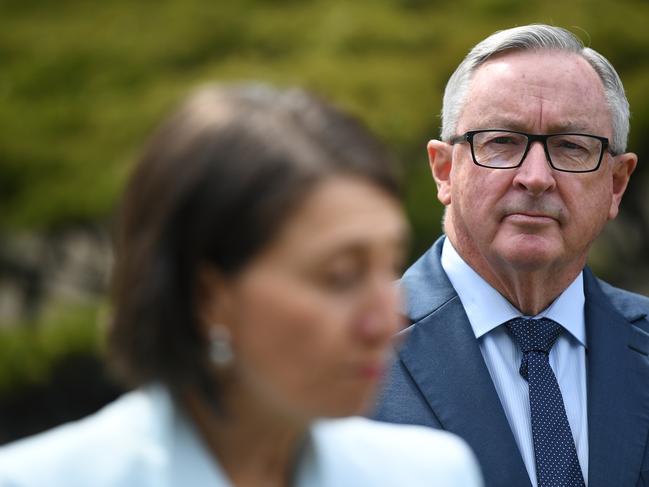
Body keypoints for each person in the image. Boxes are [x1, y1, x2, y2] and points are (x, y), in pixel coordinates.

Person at [0, 84, 482, 486]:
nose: (387, 317)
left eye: (388, 265)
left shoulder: (430, 473)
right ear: (208, 296)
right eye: (339, 276)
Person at [374, 24, 649, 487]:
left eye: (571, 146)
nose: (536, 177)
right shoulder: (343, 351)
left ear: (616, 184)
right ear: (444, 170)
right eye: (502, 141)